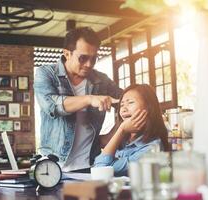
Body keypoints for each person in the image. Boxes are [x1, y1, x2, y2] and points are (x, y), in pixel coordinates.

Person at [34, 27, 123, 172]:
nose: (89, 64)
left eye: (93, 59)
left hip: (91, 166)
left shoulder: (102, 80)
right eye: (83, 58)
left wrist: (117, 131)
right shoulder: (46, 73)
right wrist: (89, 99)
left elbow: (127, 102)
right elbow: (51, 105)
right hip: (52, 167)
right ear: (67, 53)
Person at [94, 84, 171, 176]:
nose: (123, 109)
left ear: (149, 107)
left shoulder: (151, 148)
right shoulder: (125, 141)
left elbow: (100, 170)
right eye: (121, 105)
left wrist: (121, 130)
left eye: (130, 103)